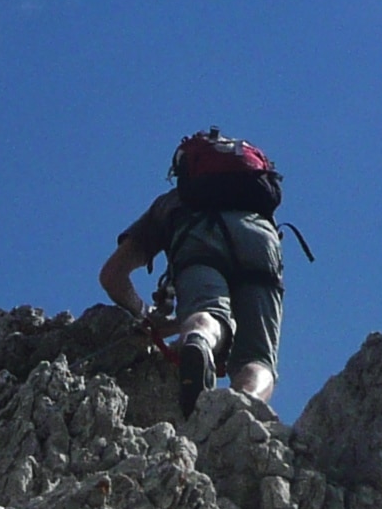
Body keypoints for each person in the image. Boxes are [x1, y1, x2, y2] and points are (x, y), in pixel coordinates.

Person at [100, 130, 291, 411]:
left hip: (198, 237)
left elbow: (113, 275)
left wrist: (145, 313)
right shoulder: (253, 200)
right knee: (257, 358)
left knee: (207, 313)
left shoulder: (172, 202)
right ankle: (239, 411)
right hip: (260, 238)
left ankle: (200, 340)